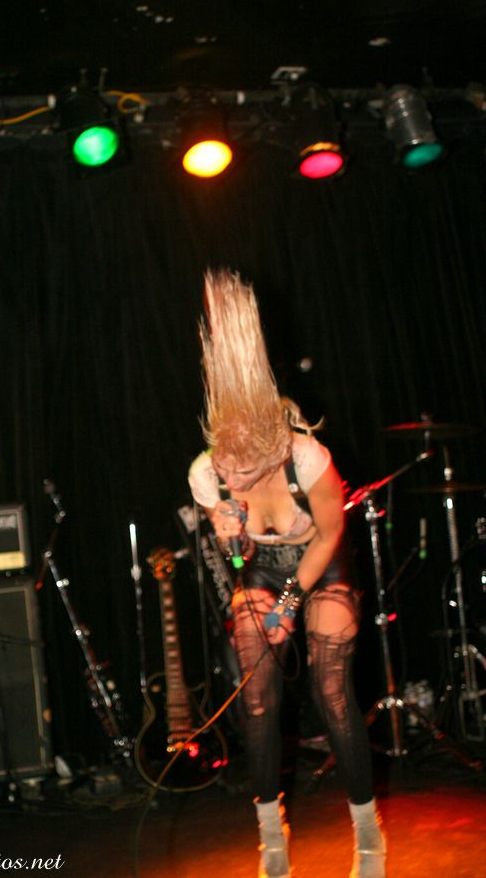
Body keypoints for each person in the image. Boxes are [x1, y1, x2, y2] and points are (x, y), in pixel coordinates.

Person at [188, 269, 385, 878]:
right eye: (225, 466)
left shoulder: (308, 458)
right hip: (263, 571)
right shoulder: (207, 474)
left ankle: (368, 834)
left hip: (321, 564)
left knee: (331, 691)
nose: (230, 477)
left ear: (272, 451)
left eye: (242, 470)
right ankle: (270, 835)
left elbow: (330, 534)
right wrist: (228, 536)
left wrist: (292, 602)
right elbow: (237, 562)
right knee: (257, 700)